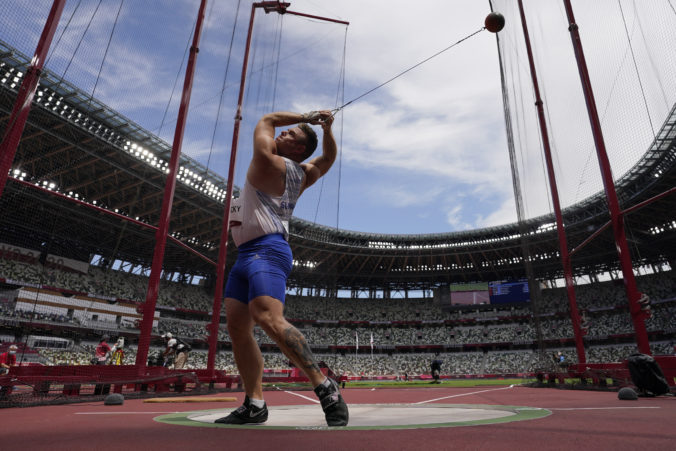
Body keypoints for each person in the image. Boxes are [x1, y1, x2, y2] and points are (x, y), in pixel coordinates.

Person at [216, 110, 348, 427]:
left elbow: (267, 120)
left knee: (267, 317)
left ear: (298, 150)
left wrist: (307, 117)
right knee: (237, 327)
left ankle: (324, 385)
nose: (282, 134)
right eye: (285, 132)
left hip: (267, 248)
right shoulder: (302, 174)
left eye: (291, 135)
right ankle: (255, 403)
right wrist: (327, 129)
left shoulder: (269, 162)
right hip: (246, 253)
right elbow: (328, 158)